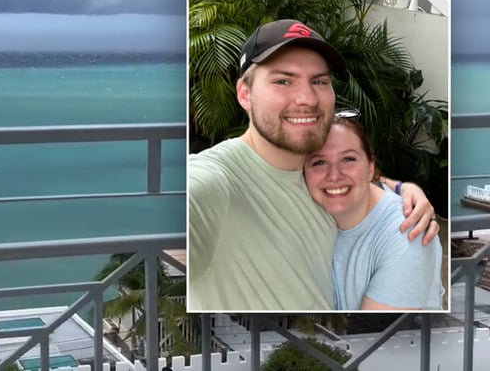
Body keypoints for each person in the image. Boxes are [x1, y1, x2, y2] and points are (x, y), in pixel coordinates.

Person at [187, 19, 439, 311]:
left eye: (319, 81)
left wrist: (404, 188)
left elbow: (353, 178)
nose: (307, 99)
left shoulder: (313, 176)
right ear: (245, 94)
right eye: (283, 81)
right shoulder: (214, 179)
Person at [304, 112, 444, 310]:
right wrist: (401, 186)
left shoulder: (407, 232)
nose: (334, 175)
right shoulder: (306, 209)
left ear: (370, 167)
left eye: (348, 159)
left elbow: (379, 334)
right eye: (319, 162)